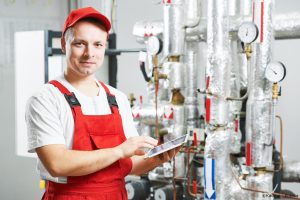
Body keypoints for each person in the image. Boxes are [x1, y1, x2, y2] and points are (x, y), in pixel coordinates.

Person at [25, 7, 181, 200]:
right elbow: (57, 164)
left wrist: (157, 158)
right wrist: (119, 150)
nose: (89, 53)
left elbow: (127, 164)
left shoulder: (116, 98)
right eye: (80, 44)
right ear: (64, 44)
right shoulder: (45, 99)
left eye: (98, 44)